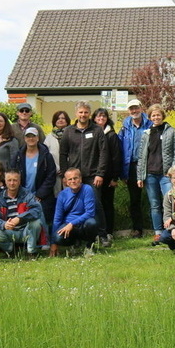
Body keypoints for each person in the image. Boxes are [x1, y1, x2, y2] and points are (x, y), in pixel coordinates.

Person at [60, 100, 109, 247]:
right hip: (73, 178)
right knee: (74, 206)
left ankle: (102, 235)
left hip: (92, 176)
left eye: (86, 112)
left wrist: (100, 173)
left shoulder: (97, 130)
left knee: (96, 204)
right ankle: (77, 236)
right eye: (80, 112)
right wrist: (65, 174)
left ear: (89, 114)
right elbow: (63, 154)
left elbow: (103, 153)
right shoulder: (68, 131)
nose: (83, 115)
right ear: (76, 113)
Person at [137, 104, 175, 244]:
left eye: (158, 115)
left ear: (162, 116)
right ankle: (158, 232)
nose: (156, 117)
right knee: (155, 205)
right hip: (150, 175)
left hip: (165, 175)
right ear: (149, 118)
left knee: (170, 203)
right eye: (153, 115)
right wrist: (140, 176)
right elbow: (142, 157)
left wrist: (173, 171)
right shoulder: (146, 134)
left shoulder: (171, 131)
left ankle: (172, 230)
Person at [11, 126, 57, 241]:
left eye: (33, 136)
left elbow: (51, 176)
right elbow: (13, 174)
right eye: (28, 136)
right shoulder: (18, 156)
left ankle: (45, 242)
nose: (31, 138)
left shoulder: (46, 155)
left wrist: (39, 195)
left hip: (41, 196)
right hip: (22, 194)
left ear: (38, 138)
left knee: (42, 215)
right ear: (25, 138)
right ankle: (24, 242)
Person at [0, 169, 44, 257]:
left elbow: (36, 210)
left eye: (15, 180)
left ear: (19, 181)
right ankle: (10, 250)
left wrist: (19, 218)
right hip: (9, 231)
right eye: (9, 180)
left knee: (36, 223)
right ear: (5, 181)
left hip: (26, 230)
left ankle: (31, 252)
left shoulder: (27, 194)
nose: (12, 183)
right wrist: (4, 224)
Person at [119, 99, 152, 238]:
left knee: (153, 197)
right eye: (131, 109)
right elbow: (120, 148)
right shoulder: (125, 126)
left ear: (141, 108)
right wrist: (123, 172)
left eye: (136, 108)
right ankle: (137, 228)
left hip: (149, 165)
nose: (134, 111)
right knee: (135, 200)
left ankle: (158, 227)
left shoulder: (150, 124)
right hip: (131, 166)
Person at [49, 167, 99, 257]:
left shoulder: (87, 189)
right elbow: (57, 219)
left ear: (80, 179)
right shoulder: (62, 195)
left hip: (84, 224)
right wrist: (53, 243)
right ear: (66, 182)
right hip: (68, 226)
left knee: (92, 223)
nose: (73, 181)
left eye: (75, 178)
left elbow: (90, 213)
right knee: (57, 238)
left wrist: (72, 223)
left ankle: (89, 246)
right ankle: (74, 244)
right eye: (70, 179)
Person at [91, 108, 121, 239]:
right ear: (94, 118)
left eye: (103, 117)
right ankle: (97, 231)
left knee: (107, 203)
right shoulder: (91, 133)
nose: (101, 119)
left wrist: (115, 177)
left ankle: (109, 231)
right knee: (96, 204)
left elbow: (116, 157)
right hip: (94, 174)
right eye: (98, 116)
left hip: (108, 176)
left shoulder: (111, 135)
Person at [44, 110, 71, 197]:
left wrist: (65, 169)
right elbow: (45, 155)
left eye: (63, 118)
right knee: (57, 198)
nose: (60, 120)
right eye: (58, 118)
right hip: (54, 173)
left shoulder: (72, 135)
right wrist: (55, 168)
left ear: (67, 120)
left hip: (70, 172)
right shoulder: (48, 137)